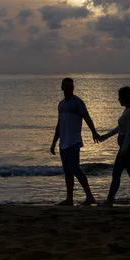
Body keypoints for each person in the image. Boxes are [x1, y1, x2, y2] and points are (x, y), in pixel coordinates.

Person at [50, 77, 99, 206]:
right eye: (67, 86)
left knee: (76, 169)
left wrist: (94, 132)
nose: (69, 89)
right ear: (62, 88)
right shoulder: (61, 104)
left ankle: (89, 197)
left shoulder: (78, 102)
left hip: (73, 141)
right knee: (67, 171)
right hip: (63, 143)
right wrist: (54, 142)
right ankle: (69, 199)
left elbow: (87, 117)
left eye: (71, 87)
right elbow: (59, 125)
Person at [97, 86, 130, 208]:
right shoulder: (127, 111)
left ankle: (109, 200)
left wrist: (123, 150)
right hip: (127, 145)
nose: (118, 99)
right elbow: (120, 128)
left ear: (125, 98)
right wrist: (106, 136)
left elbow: (129, 132)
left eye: (119, 97)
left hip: (127, 146)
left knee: (116, 173)